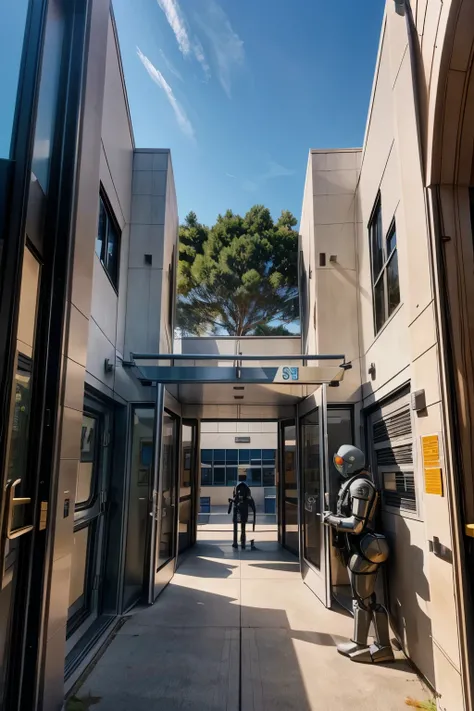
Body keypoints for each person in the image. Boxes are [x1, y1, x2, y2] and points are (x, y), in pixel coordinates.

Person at [323, 444, 394, 664]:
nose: (338, 466)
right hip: (357, 548)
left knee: (364, 600)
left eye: (341, 462)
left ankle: (376, 646)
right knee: (362, 599)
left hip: (363, 548)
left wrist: (330, 519)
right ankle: (365, 644)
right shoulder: (354, 484)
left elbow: (356, 524)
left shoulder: (360, 485)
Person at [228, 473, 256, 550]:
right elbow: (249, 498)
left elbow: (236, 498)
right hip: (245, 509)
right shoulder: (247, 487)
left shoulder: (237, 487)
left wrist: (232, 501)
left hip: (237, 509)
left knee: (236, 526)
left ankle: (235, 542)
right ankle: (243, 542)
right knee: (243, 526)